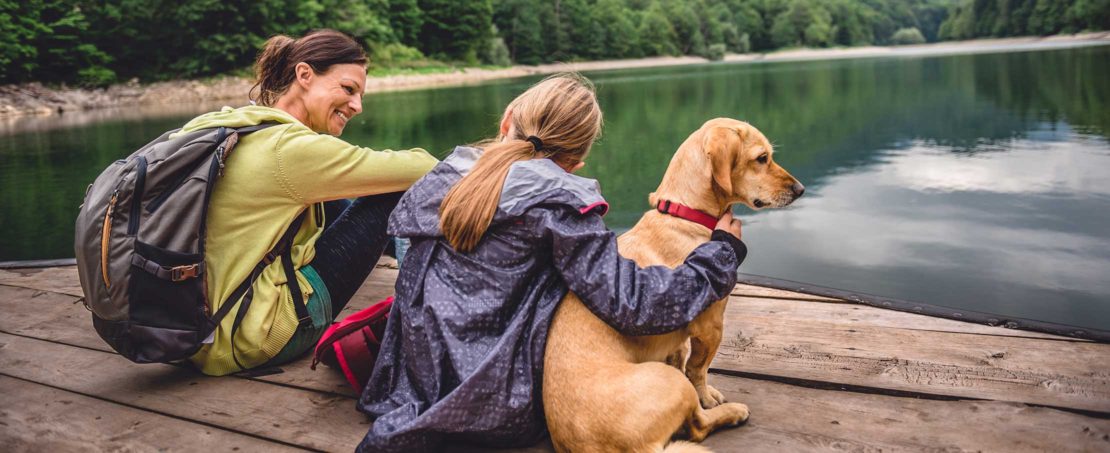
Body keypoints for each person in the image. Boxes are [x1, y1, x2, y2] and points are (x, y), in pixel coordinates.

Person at [357, 74, 747, 451]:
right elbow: (640, 306)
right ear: (576, 163)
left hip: (409, 388)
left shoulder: (441, 183)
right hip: (502, 408)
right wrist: (720, 253)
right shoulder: (558, 211)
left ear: (507, 119)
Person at [180, 29, 439, 376]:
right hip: (254, 339)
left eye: (360, 95)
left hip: (192, 333)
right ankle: (419, 322)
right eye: (348, 89)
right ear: (304, 75)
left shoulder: (228, 126)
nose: (357, 107)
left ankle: (396, 256)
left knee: (330, 195)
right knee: (395, 191)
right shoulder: (291, 149)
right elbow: (426, 167)